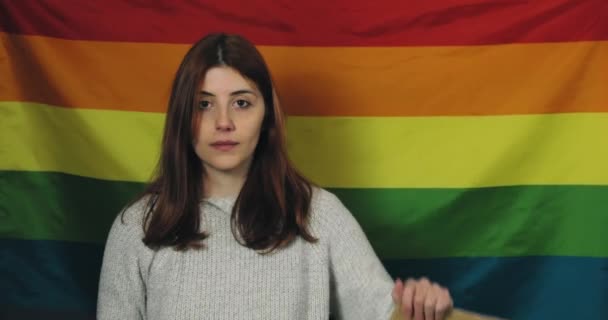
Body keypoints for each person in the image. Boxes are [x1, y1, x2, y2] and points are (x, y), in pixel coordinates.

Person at [97, 32, 453, 320]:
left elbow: (385, 313)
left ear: (267, 115)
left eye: (241, 102)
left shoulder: (318, 215)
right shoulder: (137, 227)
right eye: (203, 104)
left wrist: (424, 309)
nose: (223, 122)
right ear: (181, 117)